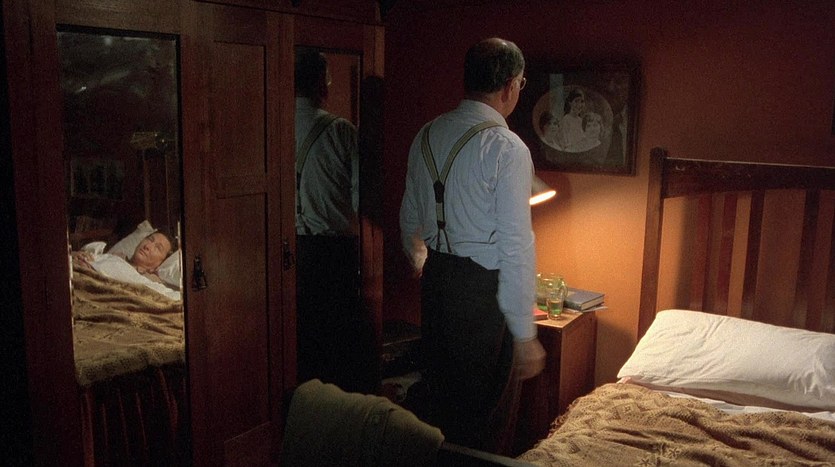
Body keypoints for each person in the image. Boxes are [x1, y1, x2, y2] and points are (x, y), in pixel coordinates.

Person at [399, 37, 546, 454]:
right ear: (510, 86)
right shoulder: (506, 148)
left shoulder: (426, 133)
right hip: (483, 294)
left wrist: (420, 259)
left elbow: (409, 216)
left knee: (440, 410)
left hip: (437, 282)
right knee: (484, 419)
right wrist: (524, 333)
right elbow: (516, 245)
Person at [294, 49, 377, 394]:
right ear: (320, 83)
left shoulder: (272, 125)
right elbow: (361, 198)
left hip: (287, 250)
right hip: (333, 252)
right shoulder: (341, 131)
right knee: (336, 343)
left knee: (300, 340)